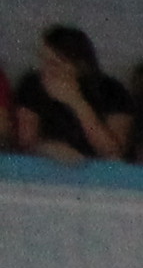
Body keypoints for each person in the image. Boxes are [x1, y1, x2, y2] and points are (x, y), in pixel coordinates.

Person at [17, 26, 134, 165]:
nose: (47, 70)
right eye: (44, 61)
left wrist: (76, 102)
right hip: (43, 171)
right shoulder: (33, 85)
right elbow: (25, 143)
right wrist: (47, 149)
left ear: (80, 65)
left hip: (98, 175)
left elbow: (112, 151)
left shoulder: (111, 90)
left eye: (55, 64)